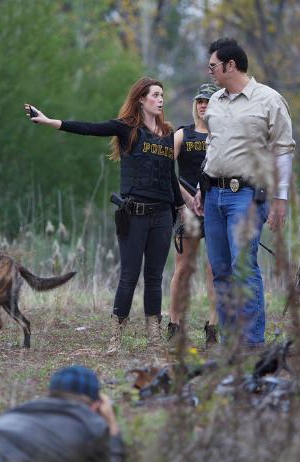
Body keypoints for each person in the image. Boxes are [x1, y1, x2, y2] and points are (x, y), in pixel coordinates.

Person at [24, 78, 185, 354]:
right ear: (141, 99)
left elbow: (170, 176)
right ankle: (115, 338)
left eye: (162, 95)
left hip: (162, 215)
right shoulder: (126, 129)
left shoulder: (167, 134)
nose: (160, 100)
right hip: (134, 215)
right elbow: (89, 128)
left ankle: (154, 337)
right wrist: (51, 122)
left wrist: (181, 209)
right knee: (129, 276)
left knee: (155, 277)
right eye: (155, 95)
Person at [193, 38, 295, 348]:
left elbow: (283, 149)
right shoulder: (215, 102)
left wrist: (280, 198)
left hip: (246, 196)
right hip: (213, 196)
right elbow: (213, 147)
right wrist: (200, 187)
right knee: (220, 271)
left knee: (242, 267)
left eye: (213, 66)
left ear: (230, 65)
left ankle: (251, 344)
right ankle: (229, 341)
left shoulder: (269, 100)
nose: (210, 71)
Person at [168, 83, 219, 347]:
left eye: (208, 101)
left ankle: (213, 326)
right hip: (188, 210)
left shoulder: (222, 134)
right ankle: (174, 324)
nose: (203, 105)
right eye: (200, 100)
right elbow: (166, 169)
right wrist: (186, 198)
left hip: (216, 207)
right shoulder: (182, 135)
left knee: (215, 269)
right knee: (184, 268)